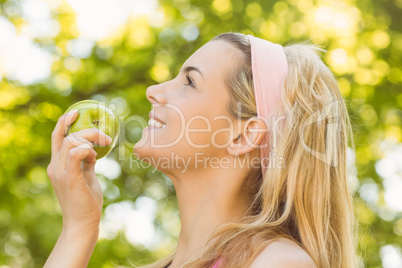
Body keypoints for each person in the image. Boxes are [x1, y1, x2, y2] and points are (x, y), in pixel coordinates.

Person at [45, 32, 358, 268]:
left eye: (189, 82)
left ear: (242, 137)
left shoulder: (278, 263)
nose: (153, 91)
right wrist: (79, 227)